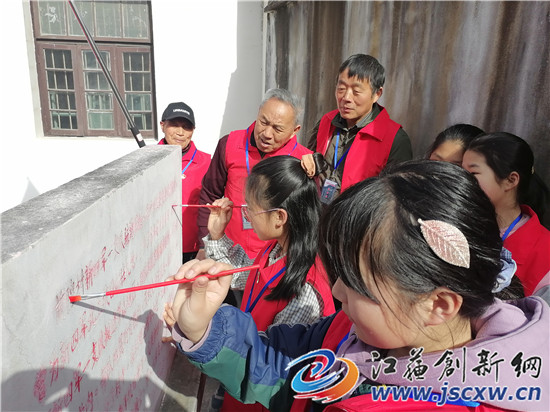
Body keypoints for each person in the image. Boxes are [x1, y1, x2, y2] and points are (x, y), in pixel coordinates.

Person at [164, 160, 548, 412]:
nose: (337, 292)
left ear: (438, 304)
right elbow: (284, 367)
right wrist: (205, 330)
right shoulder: (350, 330)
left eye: (356, 284)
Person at [202, 155, 336, 411]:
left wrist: (204, 331)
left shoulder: (305, 290)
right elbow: (244, 275)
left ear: (279, 217)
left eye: (250, 208)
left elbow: (273, 364)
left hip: (262, 396)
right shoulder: (276, 249)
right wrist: (217, 235)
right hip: (245, 382)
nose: (246, 215)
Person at [197, 89, 312, 262]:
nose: (267, 134)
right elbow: (209, 194)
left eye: (278, 129)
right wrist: (204, 244)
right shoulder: (229, 144)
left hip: (274, 259)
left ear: (294, 130)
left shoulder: (303, 162)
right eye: (263, 122)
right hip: (228, 252)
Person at [305, 54, 412, 204]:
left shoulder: (395, 139)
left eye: (356, 92)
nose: (346, 98)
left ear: (377, 94)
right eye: (341, 89)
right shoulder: (327, 121)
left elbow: (396, 197)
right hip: (318, 211)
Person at [463, 132, 550, 299]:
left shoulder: (545, 250)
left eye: (472, 173)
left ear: (511, 180)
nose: (462, 180)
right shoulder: (454, 223)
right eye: (461, 171)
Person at [158, 102, 211, 263]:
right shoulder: (148, 161)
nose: (180, 132)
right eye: (174, 125)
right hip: (157, 247)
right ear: (162, 125)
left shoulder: (207, 162)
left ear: (193, 130)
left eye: (186, 127)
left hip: (193, 249)